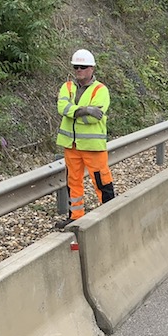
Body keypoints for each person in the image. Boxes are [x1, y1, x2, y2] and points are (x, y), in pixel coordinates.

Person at [54, 49, 115, 228]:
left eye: (83, 67)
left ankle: (111, 213)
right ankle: (75, 216)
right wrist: (86, 109)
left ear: (92, 68)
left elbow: (93, 117)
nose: (79, 70)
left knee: (101, 180)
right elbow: (62, 109)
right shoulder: (67, 87)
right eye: (76, 67)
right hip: (71, 144)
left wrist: (75, 113)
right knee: (73, 181)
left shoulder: (100, 90)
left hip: (92, 146)